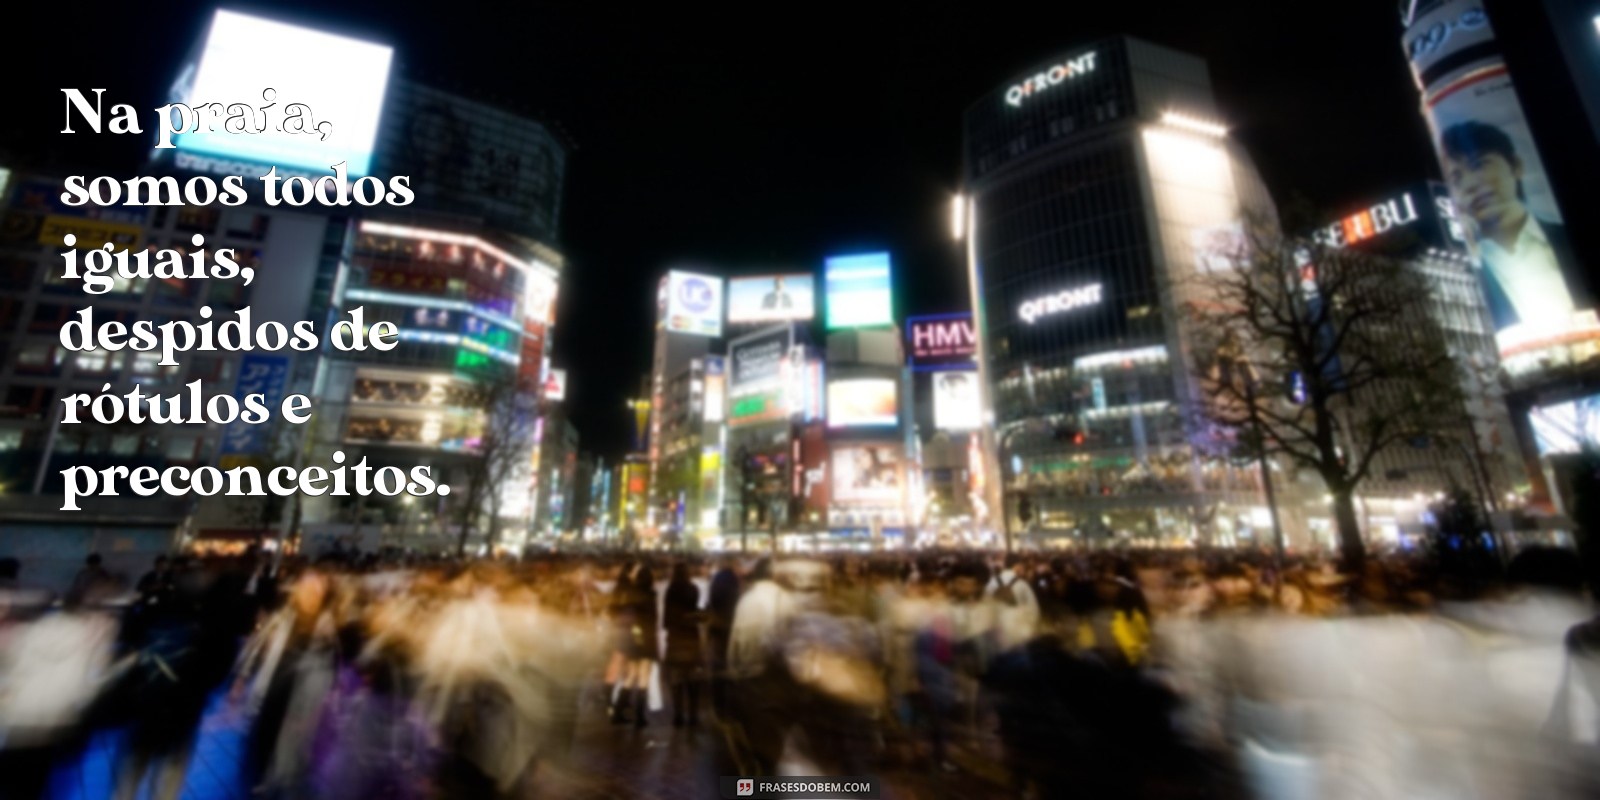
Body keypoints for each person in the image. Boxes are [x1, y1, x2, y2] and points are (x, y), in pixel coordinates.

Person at [1439, 121, 1587, 329]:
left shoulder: (1571, 237)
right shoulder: (1466, 273)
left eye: (1479, 165)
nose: (1471, 184)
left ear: (1516, 166)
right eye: (1456, 178)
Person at [662, 562, 703, 727]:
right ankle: (693, 716)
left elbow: (666, 621)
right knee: (693, 680)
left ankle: (678, 716)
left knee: (677, 680)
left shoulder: (670, 591)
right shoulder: (694, 589)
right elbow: (694, 612)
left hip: (675, 641)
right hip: (692, 640)